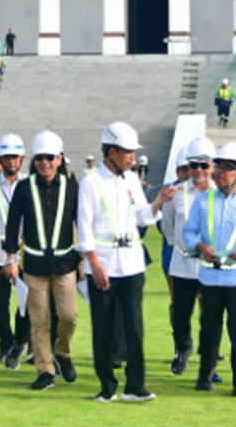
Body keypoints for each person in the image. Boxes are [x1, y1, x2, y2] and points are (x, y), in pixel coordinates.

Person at [77, 121, 176, 403]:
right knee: (104, 328)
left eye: (133, 151)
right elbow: (84, 228)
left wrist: (159, 201)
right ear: (111, 151)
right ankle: (107, 386)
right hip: (103, 264)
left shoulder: (132, 179)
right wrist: (94, 265)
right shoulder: (90, 182)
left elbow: (143, 217)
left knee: (134, 326)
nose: (132, 156)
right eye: (127, 151)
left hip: (132, 263)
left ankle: (135, 385)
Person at [2, 130, 83, 391]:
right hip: (34, 266)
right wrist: (11, 258)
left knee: (69, 316)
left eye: (50, 157)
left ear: (59, 158)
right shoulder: (25, 188)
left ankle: (62, 353)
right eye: (40, 158)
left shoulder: (72, 187)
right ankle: (45, 369)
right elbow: (13, 223)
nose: (44, 163)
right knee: (39, 319)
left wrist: (86, 257)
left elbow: (82, 222)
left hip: (65, 264)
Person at [183, 142, 236, 397]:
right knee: (209, 328)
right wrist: (199, 245)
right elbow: (189, 232)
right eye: (218, 166)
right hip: (209, 276)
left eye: (227, 168)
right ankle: (204, 375)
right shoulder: (202, 202)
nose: (219, 172)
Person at [160, 138, 213, 378]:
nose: (199, 171)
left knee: (211, 314)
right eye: (194, 165)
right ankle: (182, 349)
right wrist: (181, 246)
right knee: (181, 314)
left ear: (213, 166)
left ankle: (209, 360)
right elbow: (168, 227)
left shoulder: (219, 194)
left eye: (204, 165)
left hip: (211, 264)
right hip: (182, 263)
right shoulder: (176, 193)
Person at [0, 134, 31, 369]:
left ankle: (21, 342)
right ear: (0, 159)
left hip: (23, 252)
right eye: (7, 157)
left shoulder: (28, 185)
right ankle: (5, 343)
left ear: (22, 158)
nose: (11, 161)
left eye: (15, 157)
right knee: (1, 302)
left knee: (25, 301)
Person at [156, 148, 190, 363]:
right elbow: (165, 227)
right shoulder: (171, 194)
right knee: (179, 304)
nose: (189, 173)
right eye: (185, 169)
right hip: (174, 256)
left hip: (202, 260)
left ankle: (210, 345)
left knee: (208, 303)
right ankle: (181, 344)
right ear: (177, 171)